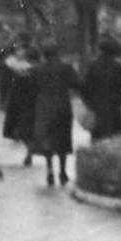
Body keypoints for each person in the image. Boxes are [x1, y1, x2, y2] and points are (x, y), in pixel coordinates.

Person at [25, 42, 83, 188]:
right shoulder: (66, 68)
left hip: (44, 106)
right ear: (57, 53)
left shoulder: (37, 70)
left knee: (47, 139)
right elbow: (78, 84)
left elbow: (31, 88)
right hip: (62, 104)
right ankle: (63, 172)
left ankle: (50, 169)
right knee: (62, 138)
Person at [81, 37, 121, 141]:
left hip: (97, 108)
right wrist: (118, 102)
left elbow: (86, 89)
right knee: (115, 138)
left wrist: (89, 104)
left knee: (97, 139)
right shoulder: (117, 67)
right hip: (114, 108)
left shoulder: (92, 66)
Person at [0, 36, 38, 165]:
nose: (19, 52)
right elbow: (4, 82)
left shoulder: (32, 67)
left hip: (27, 100)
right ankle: (29, 148)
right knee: (17, 127)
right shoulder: (10, 64)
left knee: (25, 127)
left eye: (22, 50)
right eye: (17, 50)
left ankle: (29, 150)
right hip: (15, 99)